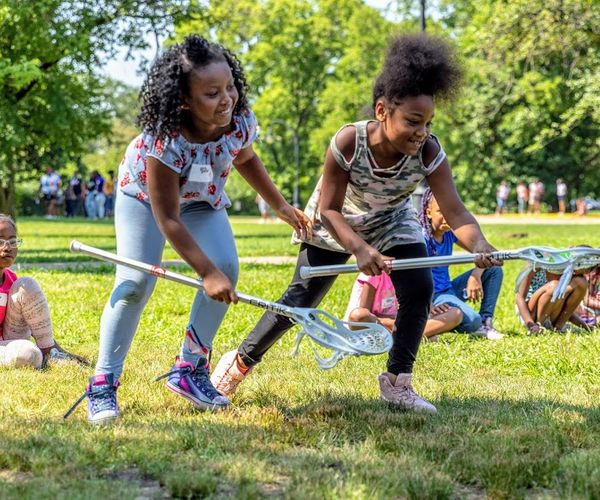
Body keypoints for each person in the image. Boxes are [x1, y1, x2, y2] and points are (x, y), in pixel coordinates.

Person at [210, 33, 500, 414]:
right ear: (382, 110)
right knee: (301, 301)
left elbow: (457, 212)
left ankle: (398, 381)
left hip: (393, 220)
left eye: (428, 122)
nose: (422, 132)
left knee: (419, 288)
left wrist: (479, 246)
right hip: (337, 221)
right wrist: (361, 250)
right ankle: (239, 364)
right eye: (413, 121)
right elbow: (329, 209)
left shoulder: (429, 152)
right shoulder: (349, 141)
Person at [66, 35, 311, 425]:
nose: (227, 98)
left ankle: (189, 369)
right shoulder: (163, 141)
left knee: (227, 267)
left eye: (230, 86)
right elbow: (168, 220)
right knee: (134, 282)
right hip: (145, 200)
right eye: (212, 93)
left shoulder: (238, 121)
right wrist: (205, 273)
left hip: (202, 199)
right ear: (184, 100)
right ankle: (103, 382)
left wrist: (280, 206)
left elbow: (246, 158)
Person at [0, 214, 86, 369]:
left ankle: (50, 353)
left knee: (27, 284)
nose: (7, 247)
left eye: (13, 241)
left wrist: (54, 347)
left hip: (8, 338)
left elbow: (34, 321)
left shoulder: (14, 282)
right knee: (27, 355)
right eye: (0, 241)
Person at [420, 189, 504, 340]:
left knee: (494, 270)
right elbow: (412, 279)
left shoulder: (450, 233)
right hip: (433, 296)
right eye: (440, 212)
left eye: (449, 212)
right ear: (428, 212)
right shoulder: (421, 239)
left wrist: (475, 275)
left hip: (448, 290)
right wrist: (427, 305)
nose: (446, 217)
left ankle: (485, 323)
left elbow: (491, 256)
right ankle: (430, 324)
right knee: (472, 320)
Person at [344, 271, 462, 340]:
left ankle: (402, 338)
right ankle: (415, 338)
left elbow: (415, 304)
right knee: (358, 315)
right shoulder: (374, 273)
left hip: (398, 324)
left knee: (455, 314)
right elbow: (363, 314)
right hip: (374, 325)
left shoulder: (409, 273)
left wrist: (430, 307)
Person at [515, 265, 589, 334]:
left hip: (551, 316)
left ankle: (558, 327)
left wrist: (586, 327)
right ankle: (539, 326)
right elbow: (519, 297)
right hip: (530, 315)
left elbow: (565, 306)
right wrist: (531, 324)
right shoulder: (534, 266)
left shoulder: (562, 267)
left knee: (581, 282)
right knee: (554, 286)